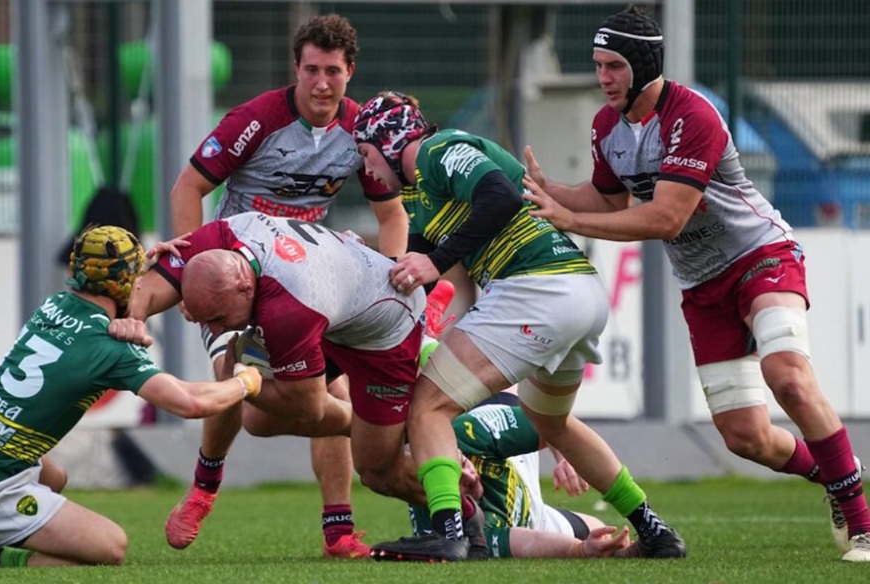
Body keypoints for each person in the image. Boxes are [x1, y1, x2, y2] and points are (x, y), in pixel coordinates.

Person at [520, 6, 869, 562]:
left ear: (641, 63)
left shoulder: (692, 115)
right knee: (745, 438)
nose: (602, 77)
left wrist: (571, 221)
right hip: (702, 287)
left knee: (789, 378)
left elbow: (665, 219)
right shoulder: (607, 126)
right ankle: (835, 476)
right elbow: (609, 200)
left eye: (612, 66)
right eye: (598, 65)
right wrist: (552, 192)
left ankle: (862, 525)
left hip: (760, 255)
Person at [351, 91, 685, 562]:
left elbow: (500, 196)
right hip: (578, 293)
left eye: (366, 155)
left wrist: (437, 261)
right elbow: (407, 275)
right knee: (552, 422)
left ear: (388, 142)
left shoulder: (438, 150)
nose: (367, 171)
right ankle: (654, 530)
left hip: (536, 289)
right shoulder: (420, 193)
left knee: (428, 407)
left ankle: (452, 533)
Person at [161, 13, 413, 558]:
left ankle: (339, 533)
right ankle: (205, 487)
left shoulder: (361, 131)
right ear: (295, 70)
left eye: (333, 72)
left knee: (324, 393)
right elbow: (189, 187)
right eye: (311, 71)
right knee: (231, 367)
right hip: (238, 277)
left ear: (350, 72)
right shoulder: (255, 119)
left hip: (306, 280)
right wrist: (192, 278)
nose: (321, 84)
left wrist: (392, 277)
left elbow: (392, 215)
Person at [0, 226, 262, 569]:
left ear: (77, 270)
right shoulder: (111, 351)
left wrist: (141, 275)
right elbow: (191, 403)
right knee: (110, 548)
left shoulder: (56, 303)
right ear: (128, 283)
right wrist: (246, 381)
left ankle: (10, 528)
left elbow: (111, 297)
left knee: (54, 479)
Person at [110, 213, 435, 537]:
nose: (214, 329)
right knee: (257, 418)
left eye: (218, 319)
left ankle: (455, 505)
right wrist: (130, 319)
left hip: (381, 332)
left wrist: (242, 380)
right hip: (307, 292)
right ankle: (204, 488)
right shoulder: (214, 240)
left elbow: (309, 408)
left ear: (243, 287)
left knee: (378, 471)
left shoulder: (286, 310)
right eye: (204, 320)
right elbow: (186, 190)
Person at [407, 394, 635, 559]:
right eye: (458, 484)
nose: (468, 476)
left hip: (509, 452)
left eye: (462, 465)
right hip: (531, 515)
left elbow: (552, 424)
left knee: (516, 391)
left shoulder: (470, 433)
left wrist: (564, 456)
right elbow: (520, 540)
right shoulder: (455, 533)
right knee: (600, 532)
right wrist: (581, 550)